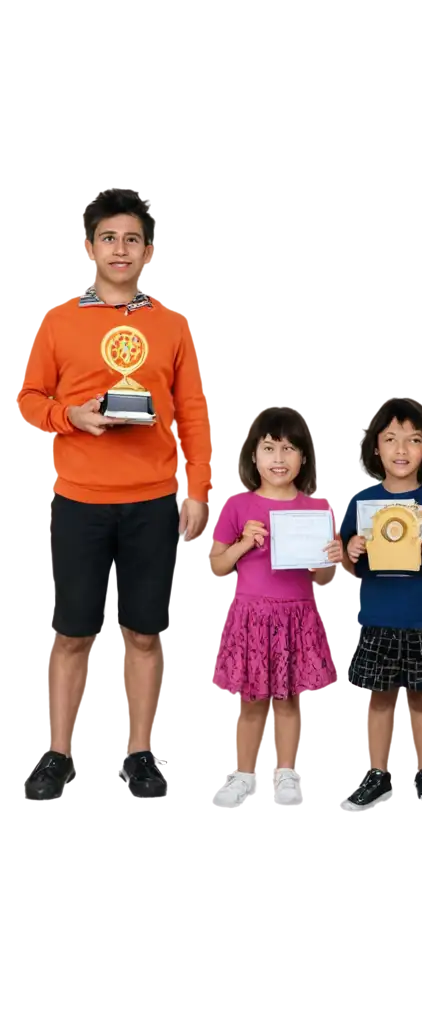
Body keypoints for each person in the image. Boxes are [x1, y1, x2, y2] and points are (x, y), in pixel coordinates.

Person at [18, 184, 211, 802]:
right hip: (77, 498)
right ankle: (58, 752)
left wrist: (197, 488)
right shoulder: (56, 322)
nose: (120, 250)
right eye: (108, 238)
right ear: (88, 248)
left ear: (149, 251)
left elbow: (193, 413)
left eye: (132, 239)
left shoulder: (172, 326)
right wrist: (73, 417)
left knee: (144, 632)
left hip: (154, 497)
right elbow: (28, 399)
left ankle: (140, 751)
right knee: (72, 632)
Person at [339, 397, 422, 816]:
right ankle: (378, 774)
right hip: (377, 615)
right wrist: (351, 549)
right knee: (379, 697)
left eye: (412, 440)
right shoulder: (360, 503)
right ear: (376, 448)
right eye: (390, 439)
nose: (401, 449)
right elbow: (344, 565)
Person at [208, 407, 340, 807]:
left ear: (303, 458)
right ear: (254, 456)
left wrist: (329, 560)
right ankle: (244, 776)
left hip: (295, 615)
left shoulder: (318, 510)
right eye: (269, 448)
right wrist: (244, 543)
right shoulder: (237, 506)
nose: (279, 459)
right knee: (250, 702)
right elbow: (217, 566)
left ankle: (286, 774)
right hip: (251, 616)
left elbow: (324, 576)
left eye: (288, 449)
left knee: (286, 699)